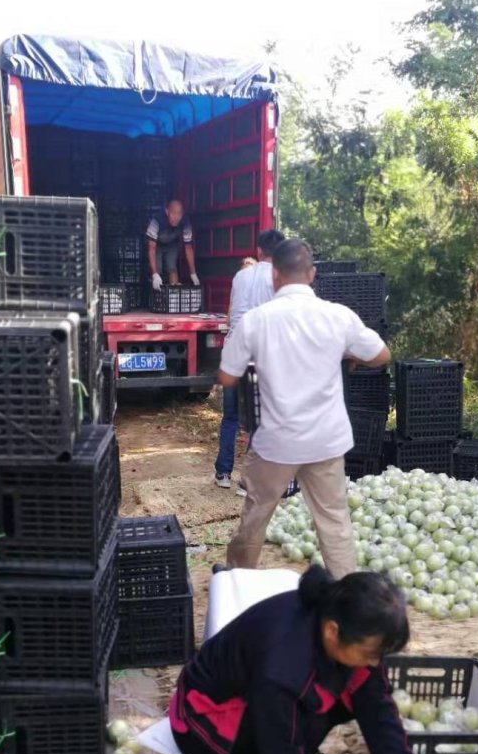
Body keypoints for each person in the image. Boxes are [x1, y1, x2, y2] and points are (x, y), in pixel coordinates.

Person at [169, 565, 449, 754]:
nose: (375, 663)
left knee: (351, 692)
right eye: (371, 653)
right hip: (203, 724)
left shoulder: (337, 617)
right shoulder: (284, 668)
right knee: (299, 729)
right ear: (333, 631)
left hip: (257, 700)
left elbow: (377, 704)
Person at [219, 238, 390, 579]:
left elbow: (226, 377)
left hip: (276, 443)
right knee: (334, 521)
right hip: (326, 441)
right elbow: (381, 354)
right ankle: (347, 593)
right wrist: (346, 353)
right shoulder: (337, 316)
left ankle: (239, 578)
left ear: (274, 276)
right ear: (312, 274)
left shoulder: (256, 321)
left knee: (256, 513)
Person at [214, 229, 285, 491]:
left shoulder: (240, 276)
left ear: (258, 251)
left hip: (234, 351)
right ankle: (248, 482)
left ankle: (223, 474)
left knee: (230, 417)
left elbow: (234, 311)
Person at [146, 200, 200, 290]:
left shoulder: (185, 223)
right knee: (157, 269)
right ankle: (156, 296)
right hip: (156, 244)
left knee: (172, 267)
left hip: (172, 243)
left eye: (179, 214)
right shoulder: (156, 221)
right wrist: (154, 274)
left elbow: (188, 248)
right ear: (167, 212)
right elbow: (151, 248)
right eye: (173, 213)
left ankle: (173, 297)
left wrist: (193, 273)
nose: (176, 217)